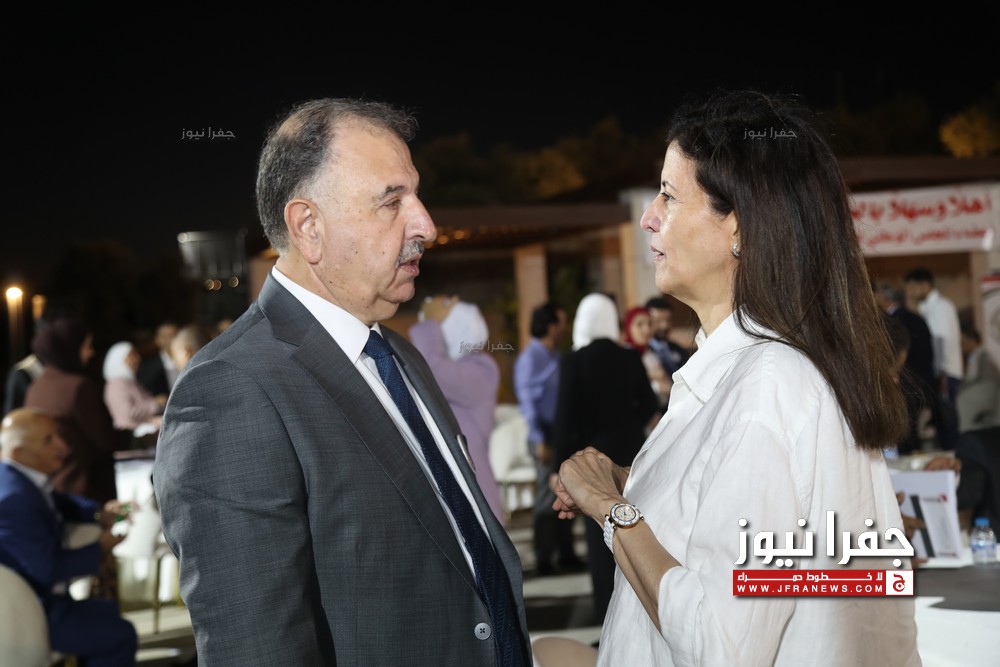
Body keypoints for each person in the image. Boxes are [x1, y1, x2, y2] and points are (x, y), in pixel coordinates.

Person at [152, 98, 531, 666]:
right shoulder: (232, 391)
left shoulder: (398, 353)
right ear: (309, 227)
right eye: (391, 202)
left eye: (416, 196)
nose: (426, 225)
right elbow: (257, 650)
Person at [548, 90, 919, 666]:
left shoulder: (769, 384)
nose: (648, 217)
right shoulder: (754, 372)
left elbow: (721, 645)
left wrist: (612, 510)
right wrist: (633, 482)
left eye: (669, 196)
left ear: (739, 226)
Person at [552, 292, 659, 626]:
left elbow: (563, 419)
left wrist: (559, 467)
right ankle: (644, 615)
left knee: (601, 541)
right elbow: (649, 404)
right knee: (636, 529)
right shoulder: (629, 358)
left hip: (591, 461)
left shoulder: (573, 362)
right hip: (632, 454)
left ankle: (608, 620)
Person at [0, 407, 137, 666]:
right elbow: (49, 569)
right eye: (49, 440)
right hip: (26, 615)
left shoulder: (18, 480)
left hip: (42, 600)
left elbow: (61, 502)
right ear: (18, 453)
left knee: (107, 611)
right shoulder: (14, 499)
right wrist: (100, 548)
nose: (63, 446)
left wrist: (100, 514)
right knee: (120, 635)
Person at [409, 295, 505, 525]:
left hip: (474, 502)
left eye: (441, 326)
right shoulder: (460, 369)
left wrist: (430, 323)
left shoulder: (481, 370)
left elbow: (431, 370)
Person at [512, 301, 583, 575]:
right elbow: (528, 402)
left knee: (566, 493)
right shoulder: (531, 358)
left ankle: (566, 554)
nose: (565, 328)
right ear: (551, 326)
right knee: (545, 498)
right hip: (543, 436)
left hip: (561, 436)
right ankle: (543, 558)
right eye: (562, 322)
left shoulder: (556, 356)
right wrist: (540, 438)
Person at [102, 340, 166, 442]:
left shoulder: (128, 382)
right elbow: (128, 413)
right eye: (132, 356)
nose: (137, 359)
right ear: (120, 359)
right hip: (133, 438)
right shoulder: (116, 385)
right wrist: (155, 403)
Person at [621, 305, 670, 418]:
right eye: (640, 324)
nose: (647, 330)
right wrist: (649, 376)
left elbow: (666, 388)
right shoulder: (621, 356)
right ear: (628, 327)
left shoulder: (651, 355)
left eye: (649, 324)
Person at [956, 324, 1000, 433]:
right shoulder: (976, 356)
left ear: (972, 340)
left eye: (963, 342)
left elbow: (974, 378)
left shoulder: (981, 354)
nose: (961, 346)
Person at [135, 321, 178, 398]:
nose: (171, 339)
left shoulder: (189, 360)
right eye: (166, 336)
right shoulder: (147, 368)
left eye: (174, 335)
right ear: (157, 340)